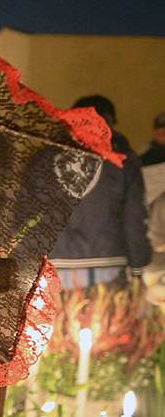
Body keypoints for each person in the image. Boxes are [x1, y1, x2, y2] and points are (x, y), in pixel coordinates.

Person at [50, 94, 150, 290]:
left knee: (61, 322)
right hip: (108, 267)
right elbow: (135, 219)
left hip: (55, 269)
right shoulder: (123, 160)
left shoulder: (45, 157)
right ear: (109, 122)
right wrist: (139, 266)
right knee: (108, 320)